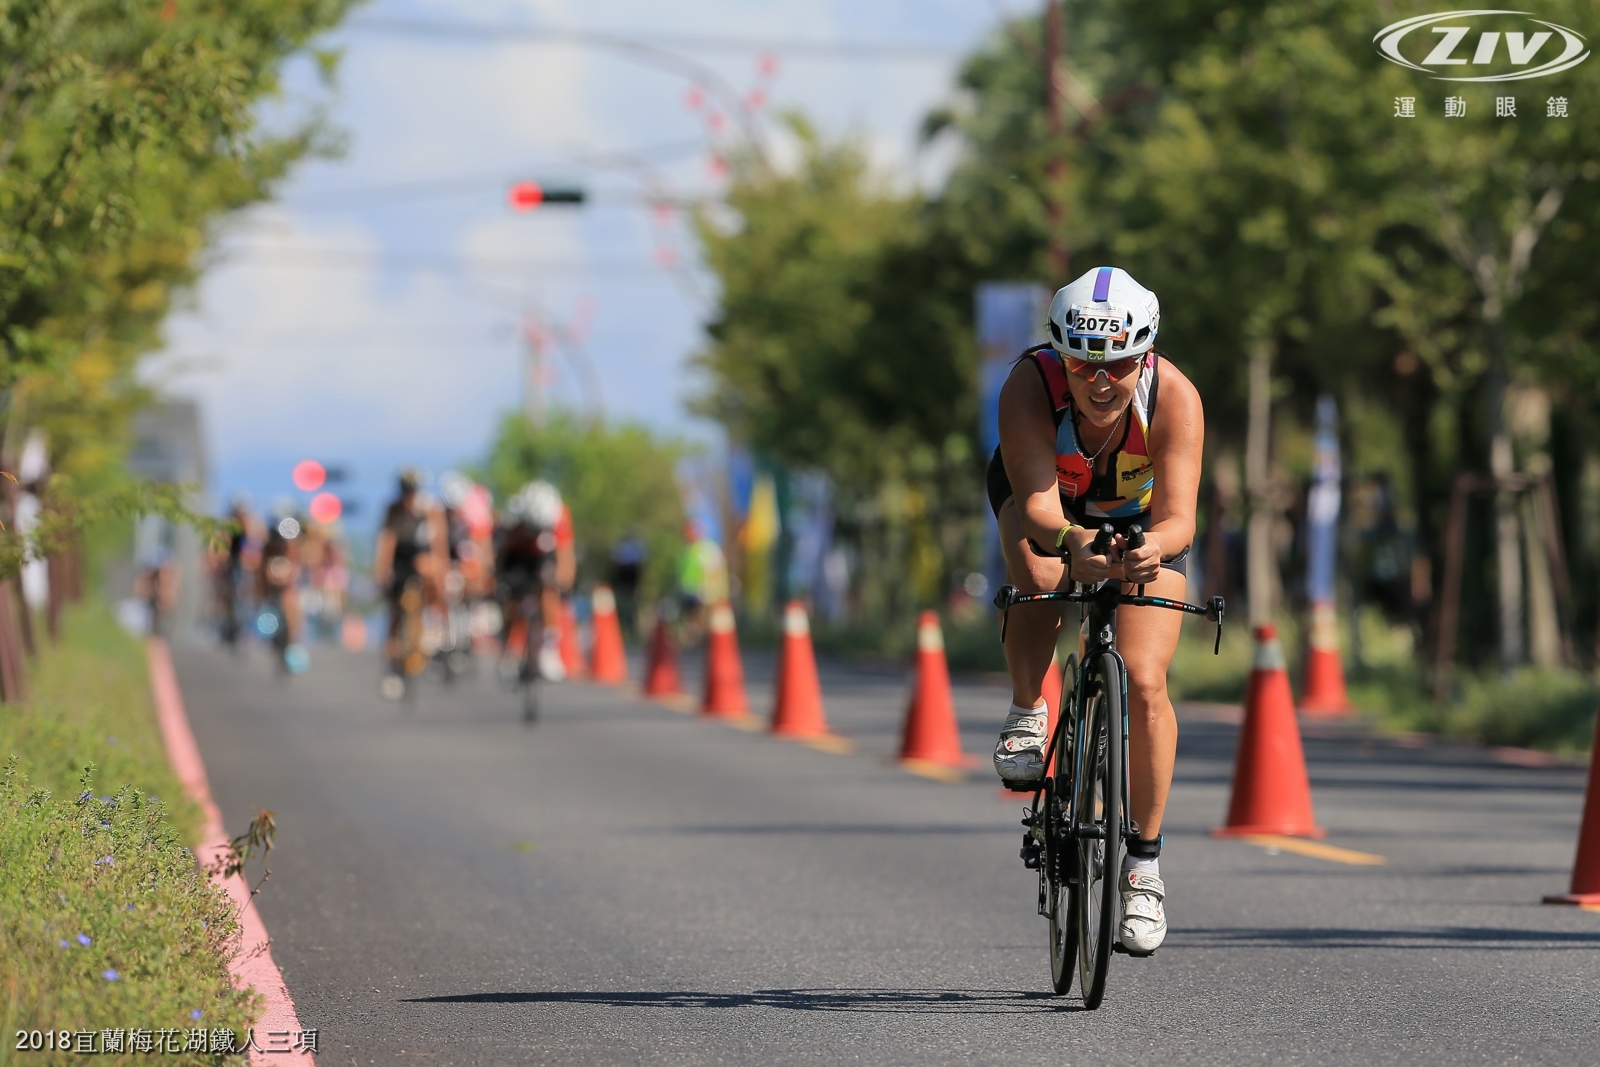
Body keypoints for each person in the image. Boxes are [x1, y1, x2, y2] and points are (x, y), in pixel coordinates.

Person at [987, 265, 1203, 955]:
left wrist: (1150, 553)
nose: (1101, 380)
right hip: (1053, 506)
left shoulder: (1175, 397)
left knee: (1143, 679)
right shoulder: (1029, 385)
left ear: (1144, 355)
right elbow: (1039, 507)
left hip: (1144, 523)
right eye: (1084, 364)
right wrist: (1071, 540)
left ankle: (1143, 865)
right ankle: (1029, 707)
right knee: (1042, 575)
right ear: (1060, 354)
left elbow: (1178, 521)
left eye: (1119, 363)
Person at [374, 469, 447, 697]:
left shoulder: (430, 508)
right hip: (401, 557)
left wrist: (439, 569)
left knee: (430, 577)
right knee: (395, 606)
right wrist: (382, 570)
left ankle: (432, 627)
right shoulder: (393, 510)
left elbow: (439, 542)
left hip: (422, 553)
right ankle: (392, 662)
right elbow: (387, 542)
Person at [492, 480, 575, 681]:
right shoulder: (512, 515)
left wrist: (563, 580)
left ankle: (549, 647)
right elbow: (501, 554)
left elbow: (566, 556)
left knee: (549, 586)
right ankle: (509, 648)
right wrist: (497, 579)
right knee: (509, 596)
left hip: (542, 556)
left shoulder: (560, 515)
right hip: (517, 556)